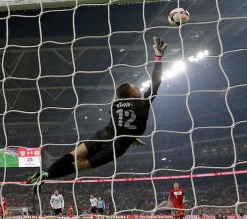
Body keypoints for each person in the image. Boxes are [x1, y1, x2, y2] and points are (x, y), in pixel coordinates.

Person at [27, 37, 168, 193]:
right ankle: (46, 177)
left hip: (103, 135)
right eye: (135, 87)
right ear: (131, 93)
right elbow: (155, 83)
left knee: (73, 155)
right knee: (77, 166)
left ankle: (44, 174)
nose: (138, 88)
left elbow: (120, 122)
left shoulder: (114, 105)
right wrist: (158, 57)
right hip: (116, 146)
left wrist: (131, 134)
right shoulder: (143, 103)